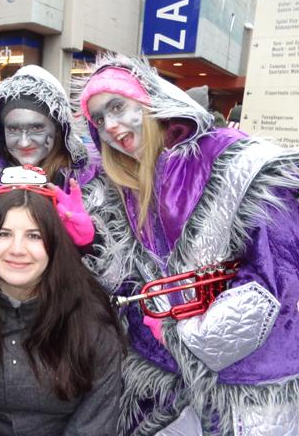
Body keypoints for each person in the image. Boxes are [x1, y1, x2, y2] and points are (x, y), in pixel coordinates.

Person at [79, 53, 299, 435]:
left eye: (117, 106)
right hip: (163, 390)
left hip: (247, 388)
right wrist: (87, 240)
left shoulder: (232, 159)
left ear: (150, 100)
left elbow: (277, 277)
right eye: (98, 119)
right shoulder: (122, 188)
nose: (110, 126)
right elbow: (129, 290)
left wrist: (180, 335)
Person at [0, 178, 125, 436]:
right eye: (4, 234)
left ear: (54, 245)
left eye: (34, 236)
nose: (17, 249)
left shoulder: (90, 319)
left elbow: (95, 421)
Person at [0, 64, 97, 247]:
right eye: (13, 129)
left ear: (59, 130)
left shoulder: (84, 182)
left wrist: (87, 243)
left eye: (36, 128)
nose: (24, 143)